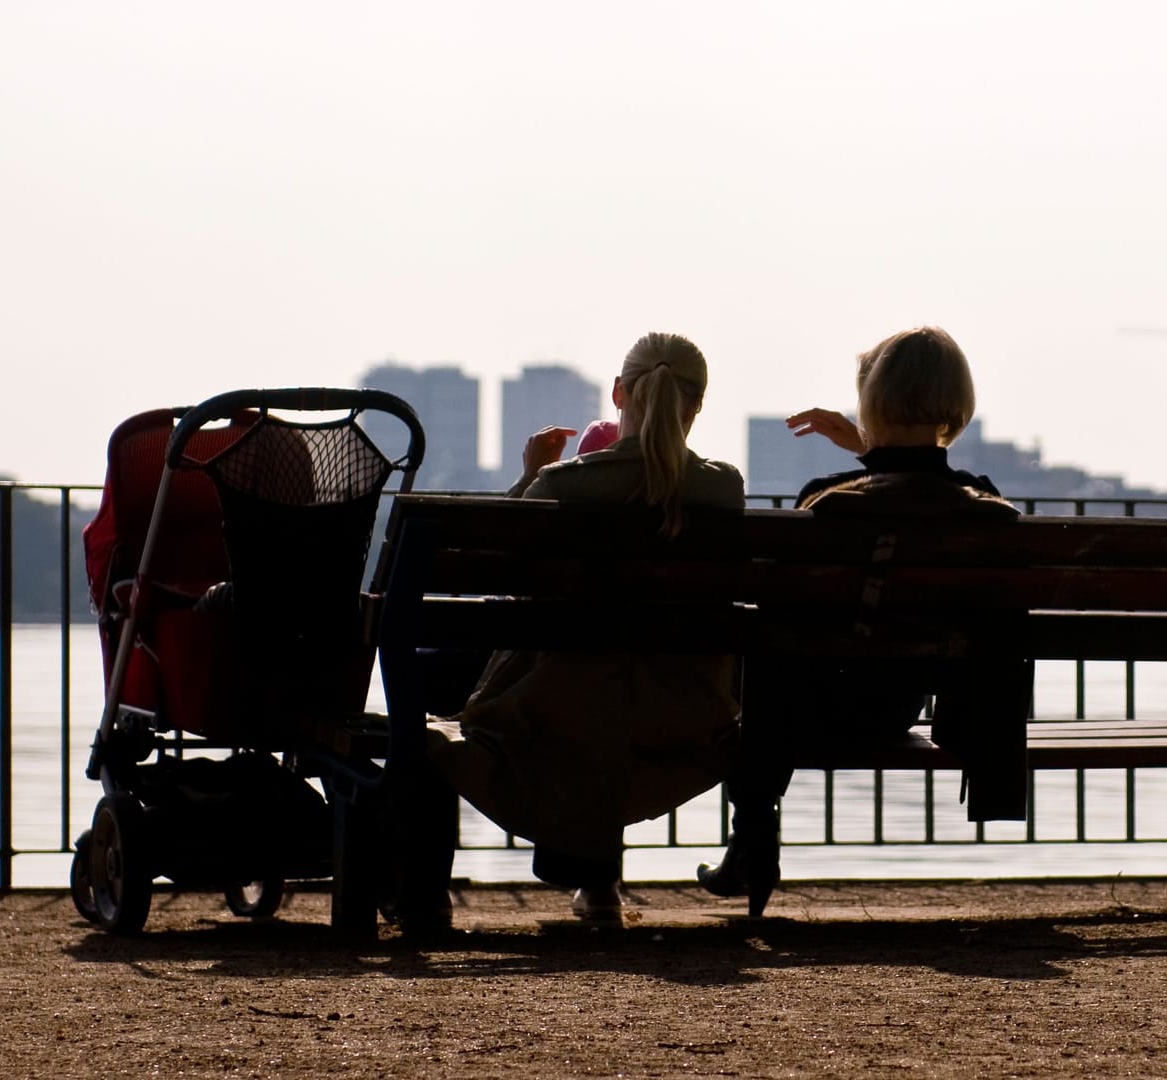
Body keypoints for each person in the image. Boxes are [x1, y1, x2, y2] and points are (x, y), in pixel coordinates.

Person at [394, 332, 745, 926]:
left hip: (554, 717)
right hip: (681, 715)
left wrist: (530, 479)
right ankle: (596, 881)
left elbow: (497, 578)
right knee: (603, 680)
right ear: (698, 404)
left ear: (618, 393)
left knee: (432, 683)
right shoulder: (723, 489)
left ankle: (424, 891)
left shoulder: (563, 485)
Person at [697, 325, 1029, 904]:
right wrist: (869, 448)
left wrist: (863, 450)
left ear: (870, 400)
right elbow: (925, 486)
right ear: (959, 401)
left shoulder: (828, 503)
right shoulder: (983, 507)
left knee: (767, 651)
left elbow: (781, 613)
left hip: (801, 715)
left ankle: (753, 837)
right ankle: (747, 848)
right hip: (900, 706)